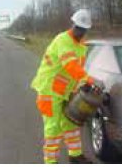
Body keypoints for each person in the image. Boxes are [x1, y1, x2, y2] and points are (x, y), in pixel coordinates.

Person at [31, 9, 103, 164]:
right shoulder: (62, 40)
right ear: (73, 25)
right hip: (49, 91)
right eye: (79, 28)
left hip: (65, 92)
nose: (80, 32)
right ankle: (50, 162)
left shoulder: (81, 46)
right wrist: (88, 80)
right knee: (53, 129)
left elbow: (77, 70)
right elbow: (70, 65)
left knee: (70, 124)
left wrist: (81, 85)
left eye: (84, 30)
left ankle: (75, 155)